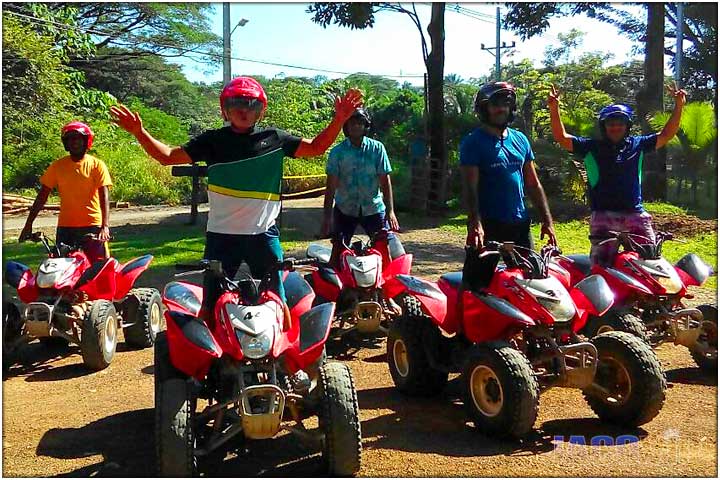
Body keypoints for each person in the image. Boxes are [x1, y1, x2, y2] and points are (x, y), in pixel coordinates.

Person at [111, 76, 362, 305]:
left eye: (251, 105)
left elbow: (316, 147)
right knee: (213, 305)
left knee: (277, 303)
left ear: (261, 111)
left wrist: (339, 119)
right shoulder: (211, 141)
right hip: (221, 238)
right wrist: (139, 132)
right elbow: (167, 156)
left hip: (264, 236)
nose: (244, 110)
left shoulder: (275, 138)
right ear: (225, 109)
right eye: (237, 104)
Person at [548, 83, 686, 264]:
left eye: (620, 124)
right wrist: (553, 108)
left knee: (650, 261)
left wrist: (679, 105)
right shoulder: (591, 147)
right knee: (602, 266)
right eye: (611, 124)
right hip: (603, 216)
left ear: (627, 126)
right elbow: (562, 137)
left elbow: (667, 134)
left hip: (635, 214)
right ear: (604, 126)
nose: (615, 128)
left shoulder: (638, 144)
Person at [460, 81, 557, 251]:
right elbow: (470, 187)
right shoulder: (473, 142)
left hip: (520, 224)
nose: (502, 109)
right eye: (495, 105)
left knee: (528, 276)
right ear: (484, 109)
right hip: (489, 224)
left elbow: (533, 184)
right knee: (481, 277)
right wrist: (475, 223)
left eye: (506, 104)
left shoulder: (520, 140)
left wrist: (547, 220)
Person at [19, 121, 112, 263]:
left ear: (86, 141)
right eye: (70, 139)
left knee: (100, 267)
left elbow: (103, 195)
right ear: (65, 143)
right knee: (61, 270)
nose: (74, 142)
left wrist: (105, 227)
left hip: (93, 225)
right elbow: (42, 196)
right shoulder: (57, 166)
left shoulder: (97, 165)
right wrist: (28, 224)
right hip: (66, 227)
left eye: (77, 138)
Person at [320, 108, 399, 266]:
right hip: (345, 208)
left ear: (365, 126)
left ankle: (387, 287)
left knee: (384, 250)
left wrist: (390, 211)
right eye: (352, 123)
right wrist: (327, 217)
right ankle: (338, 288)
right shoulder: (338, 152)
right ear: (346, 127)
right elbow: (331, 187)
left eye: (360, 123)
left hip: (373, 208)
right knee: (337, 252)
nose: (356, 126)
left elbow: (385, 181)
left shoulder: (377, 149)